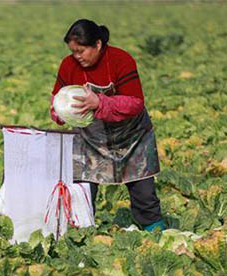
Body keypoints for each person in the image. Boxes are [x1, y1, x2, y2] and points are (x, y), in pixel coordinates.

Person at [50, 19, 166, 231]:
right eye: (73, 51)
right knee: (82, 190)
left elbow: (135, 103)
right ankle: (80, 233)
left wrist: (99, 102)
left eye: (82, 51)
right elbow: (56, 98)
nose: (77, 56)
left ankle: (156, 233)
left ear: (98, 44)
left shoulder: (121, 60)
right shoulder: (68, 65)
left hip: (132, 137)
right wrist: (60, 112)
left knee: (144, 194)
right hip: (91, 138)